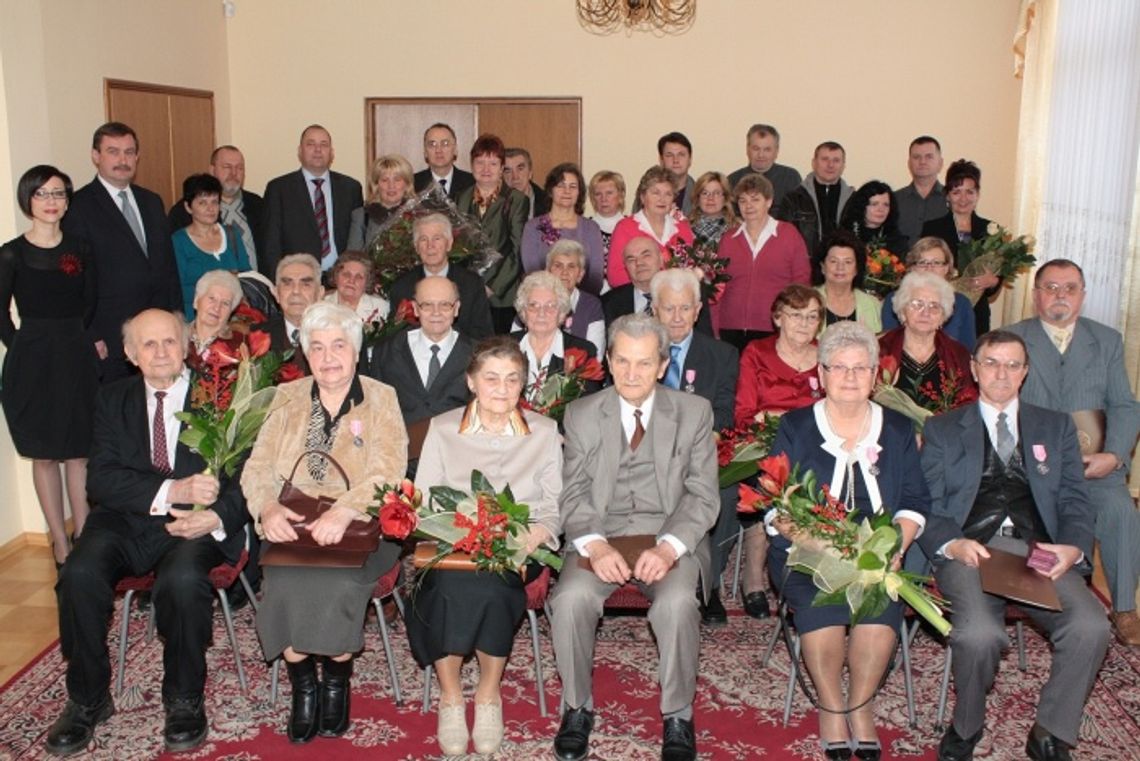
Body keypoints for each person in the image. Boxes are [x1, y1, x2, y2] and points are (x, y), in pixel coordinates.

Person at [47, 309, 248, 755]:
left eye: (170, 341)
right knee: (78, 574)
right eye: (149, 344)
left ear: (187, 346)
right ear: (130, 353)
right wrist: (171, 489)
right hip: (124, 519)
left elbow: (250, 478)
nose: (160, 352)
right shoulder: (111, 398)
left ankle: (183, 699)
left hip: (193, 523)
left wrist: (216, 517)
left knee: (182, 580)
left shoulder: (219, 396)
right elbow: (101, 479)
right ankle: (88, 698)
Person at [918, 330, 1110, 761]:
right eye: (991, 363)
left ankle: (1050, 731)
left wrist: (1072, 548)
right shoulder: (942, 428)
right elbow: (926, 502)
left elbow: (1075, 499)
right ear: (974, 369)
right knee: (978, 635)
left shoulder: (1056, 426)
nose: (1001, 373)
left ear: (1025, 372)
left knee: (1091, 625)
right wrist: (951, 543)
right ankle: (966, 726)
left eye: (1012, 365)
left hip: (1037, 549)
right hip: (971, 549)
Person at [551, 314, 719, 761]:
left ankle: (678, 714)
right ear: (608, 361)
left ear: (663, 365)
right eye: (622, 360)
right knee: (570, 600)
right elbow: (573, 492)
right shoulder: (583, 413)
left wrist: (668, 546)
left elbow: (703, 495)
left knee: (677, 603)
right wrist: (594, 543)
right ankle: (576, 707)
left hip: (668, 533)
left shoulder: (694, 412)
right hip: (602, 532)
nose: (631, 373)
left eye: (644, 363)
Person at [241, 301, 408, 744]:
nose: (328, 357)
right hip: (293, 523)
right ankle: (304, 687)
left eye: (338, 345)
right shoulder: (286, 397)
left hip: (359, 528)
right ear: (305, 353)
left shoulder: (381, 397)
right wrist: (267, 508)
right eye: (317, 347)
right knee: (282, 582)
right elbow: (257, 467)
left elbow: (389, 471)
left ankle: (335, 682)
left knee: (337, 584)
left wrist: (346, 509)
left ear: (355, 350)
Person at [767, 321, 930, 760]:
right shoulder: (796, 426)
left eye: (861, 368)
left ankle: (861, 706)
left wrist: (894, 547)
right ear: (822, 374)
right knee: (822, 606)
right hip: (808, 550)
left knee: (879, 607)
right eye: (839, 367)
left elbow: (915, 499)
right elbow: (778, 504)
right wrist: (826, 547)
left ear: (875, 376)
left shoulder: (897, 429)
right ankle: (832, 707)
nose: (851, 377)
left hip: (880, 552)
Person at [409, 337, 562, 756]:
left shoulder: (544, 432)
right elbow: (424, 503)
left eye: (512, 379)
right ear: (471, 382)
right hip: (453, 545)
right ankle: (451, 696)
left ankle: (489, 693)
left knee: (494, 589)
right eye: (491, 378)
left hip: (517, 548)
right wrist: (460, 532)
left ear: (523, 385)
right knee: (447, 587)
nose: (502, 388)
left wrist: (537, 533)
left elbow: (554, 506)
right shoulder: (443, 429)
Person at [1006, 259, 1140, 645]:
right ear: (1036, 296)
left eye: (1069, 288)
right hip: (1031, 469)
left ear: (1083, 295)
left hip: (1093, 466)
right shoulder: (1013, 338)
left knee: (1120, 511)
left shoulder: (1107, 340)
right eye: (1050, 288)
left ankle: (1125, 608)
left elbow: (1124, 405)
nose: (1059, 296)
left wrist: (1114, 455)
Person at [0, 165, 97, 569]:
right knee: (44, 455)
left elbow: (90, 302)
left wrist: (72, 339)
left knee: (79, 453)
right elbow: (1, 314)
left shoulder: (81, 247)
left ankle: (85, 536)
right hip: (31, 362)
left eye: (58, 193)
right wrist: (24, 346)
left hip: (75, 355)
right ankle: (59, 542)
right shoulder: (11, 253)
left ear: (67, 201)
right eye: (42, 194)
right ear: (28, 200)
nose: (51, 201)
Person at [650, 268, 739, 627]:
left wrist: (693, 447)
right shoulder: (637, 347)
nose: (676, 317)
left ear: (698, 310)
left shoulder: (722, 354)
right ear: (654, 309)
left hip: (699, 452)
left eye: (685, 308)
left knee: (726, 490)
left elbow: (724, 413)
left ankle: (708, 583)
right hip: (643, 453)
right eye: (668, 308)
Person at [734, 284, 826, 619]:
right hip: (765, 444)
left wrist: (777, 414)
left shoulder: (827, 355)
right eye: (796, 315)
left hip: (818, 446)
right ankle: (754, 578)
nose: (804, 324)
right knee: (770, 480)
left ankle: (807, 579)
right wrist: (787, 420)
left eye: (812, 317)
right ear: (777, 317)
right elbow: (746, 414)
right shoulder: (756, 353)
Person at [62, 121, 181, 381]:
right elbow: (75, 282)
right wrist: (90, 334)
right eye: (113, 152)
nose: (122, 160)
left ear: (137, 156)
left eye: (129, 152)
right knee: (119, 402)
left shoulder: (152, 201)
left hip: (159, 336)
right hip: (110, 337)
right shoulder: (79, 207)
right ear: (96, 156)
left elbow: (168, 268)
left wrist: (178, 321)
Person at [713, 173, 811, 351]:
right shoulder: (728, 239)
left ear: (769, 202)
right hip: (730, 328)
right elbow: (718, 287)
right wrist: (715, 326)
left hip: (773, 328)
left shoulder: (789, 235)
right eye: (742, 200)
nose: (748, 206)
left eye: (755, 199)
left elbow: (801, 284)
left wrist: (793, 323)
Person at [368, 276, 474, 428]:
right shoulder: (386, 351)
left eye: (445, 305)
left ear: (456, 308)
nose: (436, 312)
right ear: (416, 309)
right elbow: (374, 408)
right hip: (400, 441)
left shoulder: (477, 355)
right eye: (427, 305)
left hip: (455, 441)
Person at [262, 124, 364, 277]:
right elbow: (271, 243)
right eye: (310, 144)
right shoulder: (279, 189)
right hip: (298, 278)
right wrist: (278, 279)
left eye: (324, 144)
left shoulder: (351, 188)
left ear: (331, 152)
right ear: (300, 151)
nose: (318, 150)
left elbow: (358, 239)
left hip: (342, 278)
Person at [456, 134, 529, 334]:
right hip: (467, 292)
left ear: (502, 167)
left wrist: (492, 287)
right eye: (480, 162)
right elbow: (456, 247)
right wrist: (468, 285)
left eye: (493, 163)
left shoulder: (516, 200)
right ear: (471, 165)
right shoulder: (460, 198)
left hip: (502, 296)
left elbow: (517, 250)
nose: (486, 169)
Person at [386, 212, 494, 339]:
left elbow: (483, 335)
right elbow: (395, 338)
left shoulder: (472, 284)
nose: (430, 246)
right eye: (423, 239)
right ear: (416, 247)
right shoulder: (401, 287)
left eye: (437, 238)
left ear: (449, 244)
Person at [878, 271, 977, 411]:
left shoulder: (959, 354)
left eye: (934, 306)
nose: (926, 313)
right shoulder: (879, 350)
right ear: (903, 310)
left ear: (943, 316)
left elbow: (968, 404)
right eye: (917, 304)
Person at [921, 159, 996, 335]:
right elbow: (923, 270)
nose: (963, 199)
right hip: (940, 308)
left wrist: (993, 282)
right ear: (947, 195)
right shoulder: (932, 228)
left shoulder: (990, 230)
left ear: (977, 194)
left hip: (977, 312)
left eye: (970, 192)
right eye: (956, 192)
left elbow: (997, 276)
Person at [168, 145, 266, 278]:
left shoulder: (258, 205)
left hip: (251, 286)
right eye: (227, 167)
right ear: (212, 170)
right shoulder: (181, 213)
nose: (234, 173)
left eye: (239, 168)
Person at [172, 173, 251, 320]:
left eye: (215, 202)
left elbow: (246, 276)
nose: (210, 208)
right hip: (194, 318)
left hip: (232, 319)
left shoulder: (232, 234)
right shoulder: (178, 241)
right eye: (202, 203)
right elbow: (177, 289)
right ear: (188, 207)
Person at [520, 163, 606, 295]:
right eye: (561, 186)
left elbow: (595, 276)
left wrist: (576, 299)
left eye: (573, 186)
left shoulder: (591, 228)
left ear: (579, 192)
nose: (567, 191)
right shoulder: (533, 227)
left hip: (582, 299)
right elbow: (532, 273)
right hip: (544, 298)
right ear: (550, 191)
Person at [512, 271, 599, 400]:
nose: (541, 313)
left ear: (562, 313)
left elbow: (587, 402)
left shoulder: (583, 351)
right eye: (533, 305)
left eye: (550, 306)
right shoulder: (504, 347)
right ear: (523, 312)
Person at [880, 237, 977, 351]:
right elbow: (889, 343)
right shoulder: (895, 299)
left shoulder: (962, 303)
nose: (929, 268)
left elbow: (967, 350)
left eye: (936, 263)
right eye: (922, 263)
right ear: (912, 268)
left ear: (946, 268)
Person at [606, 166, 696, 288]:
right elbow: (615, 276)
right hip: (637, 297)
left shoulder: (683, 229)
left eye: (668, 194)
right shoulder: (625, 228)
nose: (662, 199)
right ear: (643, 197)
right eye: (656, 193)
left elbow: (691, 270)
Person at [773, 141, 853, 258]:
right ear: (814, 163)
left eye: (836, 160)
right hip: (805, 265)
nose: (830, 165)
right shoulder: (794, 199)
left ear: (843, 165)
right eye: (825, 159)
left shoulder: (854, 200)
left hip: (843, 266)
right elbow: (783, 239)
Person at [257, 253, 324, 376]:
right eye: (287, 284)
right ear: (276, 293)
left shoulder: (340, 335)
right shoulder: (257, 336)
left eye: (306, 284)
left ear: (320, 293)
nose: (296, 291)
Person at [546, 239, 605, 357]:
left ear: (580, 275)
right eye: (558, 266)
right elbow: (515, 348)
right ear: (548, 271)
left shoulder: (592, 306)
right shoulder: (532, 300)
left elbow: (595, 356)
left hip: (579, 368)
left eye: (571, 266)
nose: (564, 272)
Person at [815, 230, 882, 332]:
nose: (840, 267)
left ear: (857, 269)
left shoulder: (872, 304)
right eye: (833, 261)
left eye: (848, 262)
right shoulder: (808, 300)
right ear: (823, 267)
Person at [347, 154, 416, 250]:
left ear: (407, 184)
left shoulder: (418, 215)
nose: (391, 186)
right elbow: (353, 255)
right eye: (384, 180)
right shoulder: (361, 216)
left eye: (397, 180)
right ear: (376, 185)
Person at [727, 123, 802, 206]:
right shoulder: (732, 181)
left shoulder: (790, 178)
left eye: (767, 149)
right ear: (747, 149)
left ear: (776, 151)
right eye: (756, 149)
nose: (761, 155)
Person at [894, 136, 946, 248]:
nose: (922, 162)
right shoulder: (894, 200)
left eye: (929, 157)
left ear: (940, 163)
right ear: (909, 163)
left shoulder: (952, 199)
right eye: (916, 157)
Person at [839, 180, 908, 255]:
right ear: (862, 206)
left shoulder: (897, 241)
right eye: (874, 204)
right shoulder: (845, 236)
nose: (881, 209)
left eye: (886, 205)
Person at [323, 250, 388, 324]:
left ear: (367, 282)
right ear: (336, 277)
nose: (351, 281)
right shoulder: (321, 305)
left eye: (358, 277)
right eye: (346, 275)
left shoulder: (380, 307)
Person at [413, 123, 475, 200]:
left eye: (445, 144)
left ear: (455, 150)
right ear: (425, 152)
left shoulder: (472, 183)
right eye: (432, 144)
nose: (438, 150)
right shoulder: (412, 184)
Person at [587, 169, 626, 269]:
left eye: (609, 193)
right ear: (592, 198)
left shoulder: (632, 227)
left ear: (620, 195)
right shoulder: (585, 228)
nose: (604, 199)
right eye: (598, 194)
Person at [687, 171, 737, 247]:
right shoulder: (685, 227)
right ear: (697, 198)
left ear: (725, 198)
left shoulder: (736, 228)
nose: (710, 198)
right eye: (705, 193)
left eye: (716, 193)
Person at [504, 147, 552, 218]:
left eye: (520, 169)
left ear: (530, 173)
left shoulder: (550, 204)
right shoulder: (493, 205)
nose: (515, 177)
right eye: (508, 171)